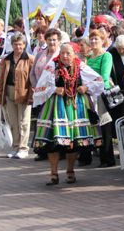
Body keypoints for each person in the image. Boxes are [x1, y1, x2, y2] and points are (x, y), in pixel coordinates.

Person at [32, 43, 104, 185]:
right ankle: (53, 173)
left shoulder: (80, 66)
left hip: (75, 105)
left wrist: (86, 87)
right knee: (52, 141)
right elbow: (41, 86)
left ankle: (70, 171)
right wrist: (53, 89)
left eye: (68, 53)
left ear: (75, 54)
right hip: (55, 105)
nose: (65, 56)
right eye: (63, 53)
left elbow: (99, 80)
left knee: (73, 141)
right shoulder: (52, 66)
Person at [0, 33, 34, 158]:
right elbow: (1, 79)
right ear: (12, 45)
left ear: (24, 45)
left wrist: (31, 95)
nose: (18, 47)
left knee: (23, 122)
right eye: (15, 44)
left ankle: (23, 148)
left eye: (20, 44)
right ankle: (16, 146)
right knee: (13, 122)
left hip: (24, 93)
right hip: (9, 92)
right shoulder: (6, 59)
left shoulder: (30, 59)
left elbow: (33, 80)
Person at [86, 30, 115, 167]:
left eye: (96, 39)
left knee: (104, 125)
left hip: (101, 94)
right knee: (92, 125)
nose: (93, 41)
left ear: (103, 40)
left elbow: (104, 77)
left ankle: (107, 158)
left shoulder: (106, 56)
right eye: (91, 39)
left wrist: (92, 88)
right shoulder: (89, 56)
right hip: (89, 94)